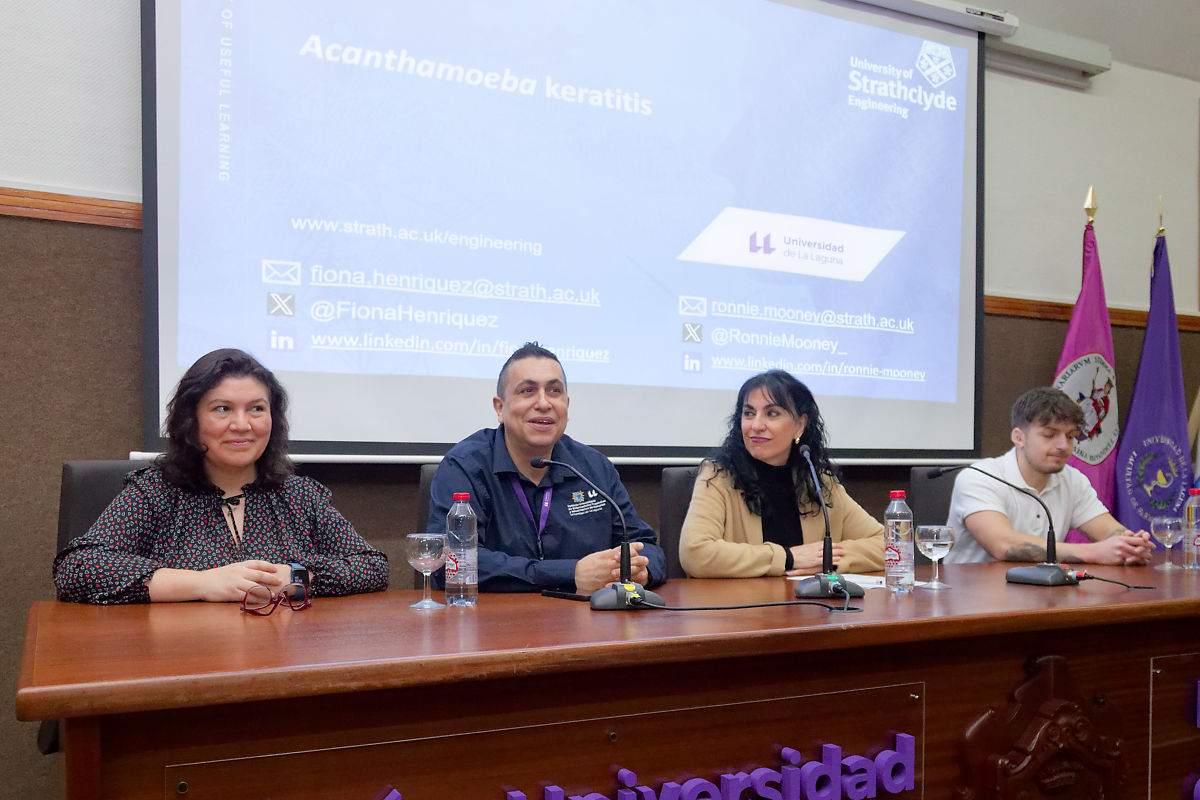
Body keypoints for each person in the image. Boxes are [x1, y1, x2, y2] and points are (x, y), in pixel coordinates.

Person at [53, 348, 389, 604]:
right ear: (192, 420)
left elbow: (371, 566)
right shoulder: (156, 492)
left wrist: (298, 577)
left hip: (283, 659)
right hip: (185, 660)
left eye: (256, 409)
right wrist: (202, 583)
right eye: (223, 409)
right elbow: (78, 569)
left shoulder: (298, 495)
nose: (242, 425)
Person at [427, 343, 667, 593]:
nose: (543, 403)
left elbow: (645, 545)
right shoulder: (465, 466)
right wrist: (570, 574)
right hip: (494, 616)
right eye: (527, 391)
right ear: (499, 408)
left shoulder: (594, 468)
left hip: (585, 615)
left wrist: (641, 570)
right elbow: (451, 562)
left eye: (554, 391)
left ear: (567, 404)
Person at [679, 370, 884, 577]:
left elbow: (889, 545)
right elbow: (695, 553)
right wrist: (788, 558)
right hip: (742, 598)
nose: (756, 425)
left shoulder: (817, 482)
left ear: (800, 425)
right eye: (749, 413)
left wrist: (827, 560)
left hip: (807, 598)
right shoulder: (718, 476)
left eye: (772, 413)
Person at [944, 386, 1153, 565]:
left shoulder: (1073, 480)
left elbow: (1109, 531)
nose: (1063, 445)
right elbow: (1003, 545)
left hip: (1042, 593)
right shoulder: (978, 477)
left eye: (1070, 436)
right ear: (1019, 438)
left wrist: (1130, 544)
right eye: (1050, 435)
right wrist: (1094, 552)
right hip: (974, 595)